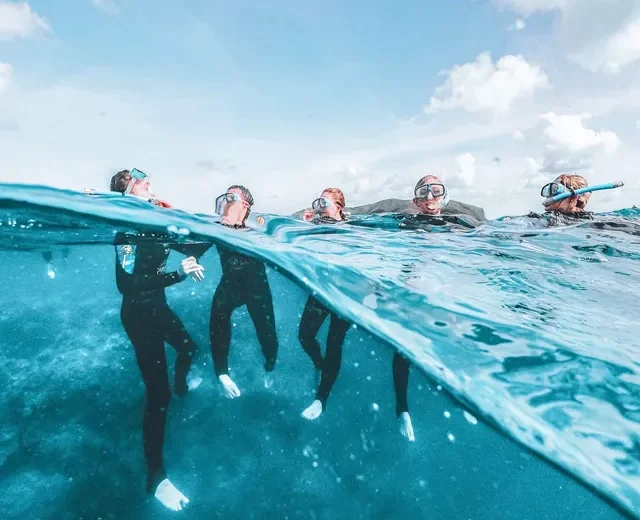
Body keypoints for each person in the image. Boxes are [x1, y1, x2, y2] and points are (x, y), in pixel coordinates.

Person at [110, 168, 207, 512]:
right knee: (158, 393)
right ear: (126, 192)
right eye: (141, 181)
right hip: (138, 316)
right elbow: (127, 285)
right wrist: (177, 274)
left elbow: (195, 245)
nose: (149, 182)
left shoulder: (156, 221)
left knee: (190, 349)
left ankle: (181, 387)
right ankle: (156, 478)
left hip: (158, 309)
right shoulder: (126, 228)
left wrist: (186, 218)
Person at [209, 185, 279, 399]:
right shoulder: (214, 226)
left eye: (231, 197)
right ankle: (222, 374)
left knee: (267, 333)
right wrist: (191, 257)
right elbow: (194, 246)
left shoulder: (257, 229)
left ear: (244, 206)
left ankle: (269, 365)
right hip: (230, 284)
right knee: (217, 317)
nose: (225, 201)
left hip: (257, 287)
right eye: (224, 196)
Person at [299, 189, 352, 421]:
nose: (319, 207)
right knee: (304, 336)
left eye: (324, 202)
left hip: (344, 295)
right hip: (321, 291)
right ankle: (320, 365)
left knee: (334, 344)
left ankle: (321, 400)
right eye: (317, 201)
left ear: (338, 208)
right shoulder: (316, 226)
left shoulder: (351, 229)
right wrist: (305, 227)